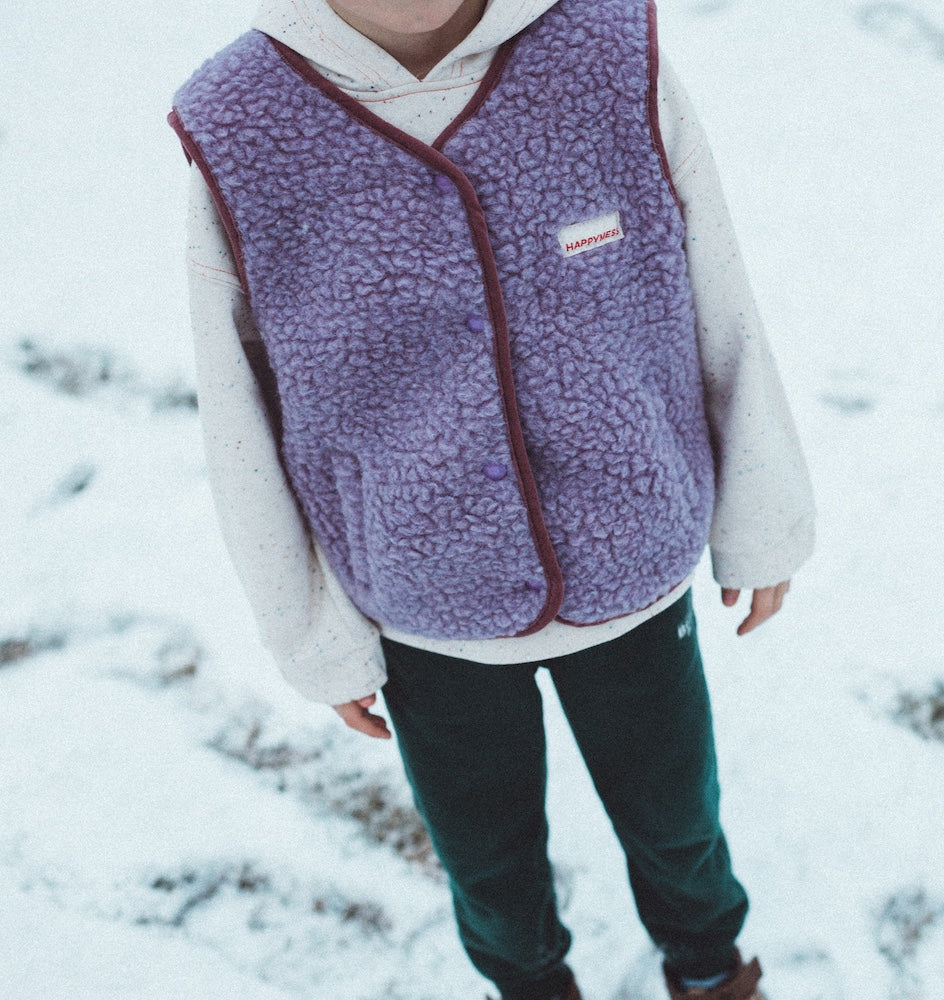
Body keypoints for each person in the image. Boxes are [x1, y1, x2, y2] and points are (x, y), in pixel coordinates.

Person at [167, 1, 817, 999]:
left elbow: (715, 284)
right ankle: (525, 985)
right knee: (488, 861)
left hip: (632, 563)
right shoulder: (242, 126)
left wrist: (760, 515)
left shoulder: (606, 56)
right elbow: (238, 416)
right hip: (424, 607)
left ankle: (709, 964)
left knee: (677, 818)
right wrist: (314, 633)